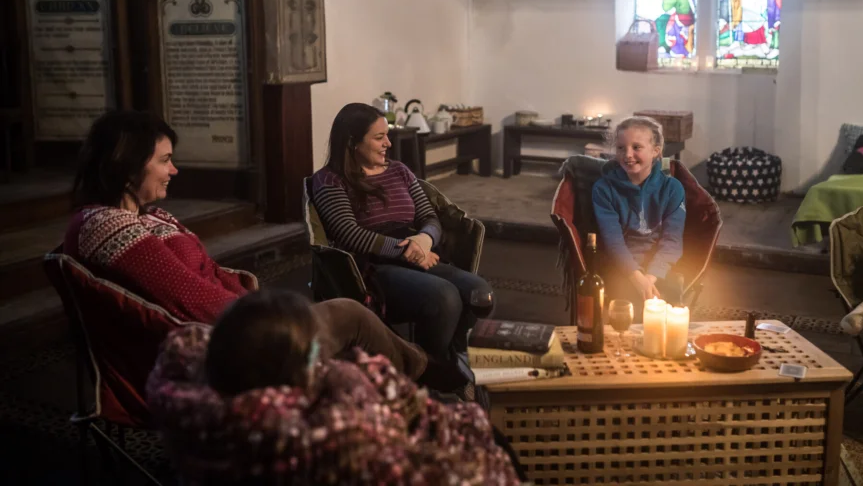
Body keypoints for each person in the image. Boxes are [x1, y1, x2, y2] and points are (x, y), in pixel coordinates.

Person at [63, 109, 462, 389]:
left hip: (237, 322)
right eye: (165, 160)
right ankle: (419, 384)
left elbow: (210, 276)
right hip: (226, 346)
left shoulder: (149, 217)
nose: (174, 170)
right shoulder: (107, 226)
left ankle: (416, 380)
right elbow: (187, 298)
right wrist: (270, 314)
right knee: (352, 317)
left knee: (355, 324)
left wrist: (424, 238)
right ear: (127, 164)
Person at [148, 289, 522, 485]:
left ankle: (429, 368)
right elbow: (477, 476)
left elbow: (189, 341)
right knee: (490, 433)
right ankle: (434, 371)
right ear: (300, 369)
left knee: (354, 313)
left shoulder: (189, 400)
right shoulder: (333, 438)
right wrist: (352, 380)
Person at [310, 103, 494, 359]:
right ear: (352, 141)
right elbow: (349, 233)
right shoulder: (330, 180)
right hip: (373, 266)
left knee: (479, 292)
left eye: (387, 135)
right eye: (378, 137)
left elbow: (430, 216)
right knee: (445, 297)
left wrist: (425, 238)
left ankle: (450, 357)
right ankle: (426, 367)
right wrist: (408, 252)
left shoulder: (398, 170)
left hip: (417, 250)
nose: (388, 143)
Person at [592, 116, 686, 306]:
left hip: (659, 267)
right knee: (624, 308)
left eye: (636, 147)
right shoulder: (603, 189)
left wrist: (649, 279)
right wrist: (636, 277)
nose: (627, 154)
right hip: (620, 264)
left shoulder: (672, 188)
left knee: (668, 307)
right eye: (621, 148)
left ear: (655, 152)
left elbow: (672, 240)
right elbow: (613, 241)